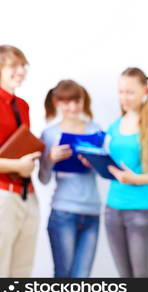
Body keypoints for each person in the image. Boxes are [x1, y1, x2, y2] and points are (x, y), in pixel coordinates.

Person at [103, 67, 148, 277]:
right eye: (121, 91)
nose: (124, 97)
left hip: (142, 211)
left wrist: (137, 179)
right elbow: (113, 166)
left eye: (130, 92)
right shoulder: (114, 127)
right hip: (112, 211)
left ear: (145, 91)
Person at [38, 80, 102, 277]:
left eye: (76, 101)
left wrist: (95, 163)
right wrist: (50, 158)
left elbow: (107, 171)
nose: (72, 107)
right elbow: (43, 179)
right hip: (63, 212)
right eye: (66, 102)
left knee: (82, 277)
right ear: (57, 102)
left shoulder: (96, 130)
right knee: (63, 276)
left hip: (92, 211)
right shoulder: (49, 134)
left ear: (83, 101)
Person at [0, 45, 41, 277]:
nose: (21, 71)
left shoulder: (22, 105)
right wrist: (18, 166)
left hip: (28, 195)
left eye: (23, 65)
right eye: (13, 65)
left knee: (23, 270)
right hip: (3, 197)